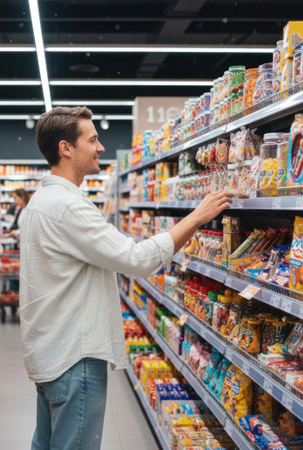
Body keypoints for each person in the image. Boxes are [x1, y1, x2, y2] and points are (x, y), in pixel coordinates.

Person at [19, 106, 233, 450]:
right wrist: (196, 217)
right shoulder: (68, 207)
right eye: (93, 139)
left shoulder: (40, 201)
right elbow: (138, 259)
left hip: (50, 352)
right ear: (66, 148)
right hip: (75, 356)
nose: (101, 147)